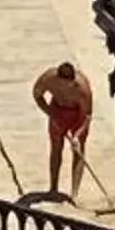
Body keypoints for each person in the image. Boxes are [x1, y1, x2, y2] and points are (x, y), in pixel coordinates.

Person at [32, 61, 93, 202]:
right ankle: (53, 188)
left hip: (78, 115)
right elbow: (37, 95)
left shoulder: (82, 89)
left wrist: (77, 136)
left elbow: (87, 116)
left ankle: (74, 193)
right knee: (56, 147)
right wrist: (50, 113)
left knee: (78, 150)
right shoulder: (48, 79)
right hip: (57, 110)